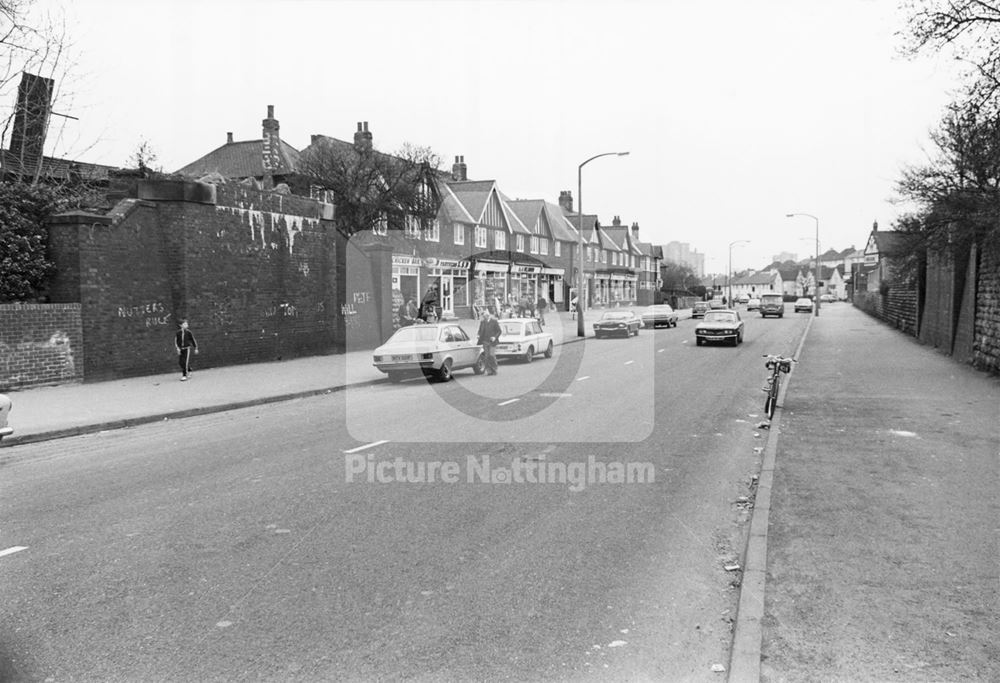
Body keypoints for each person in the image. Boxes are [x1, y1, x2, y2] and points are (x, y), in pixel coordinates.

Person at [476, 309, 502, 376]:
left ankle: (494, 368)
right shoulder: (482, 322)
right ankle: (489, 370)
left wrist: (495, 337)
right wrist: (478, 335)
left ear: (488, 315)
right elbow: (480, 330)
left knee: (491, 355)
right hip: (485, 341)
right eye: (484, 316)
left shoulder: (494, 321)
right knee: (487, 356)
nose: (485, 317)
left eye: (486, 316)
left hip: (492, 342)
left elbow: (499, 331)